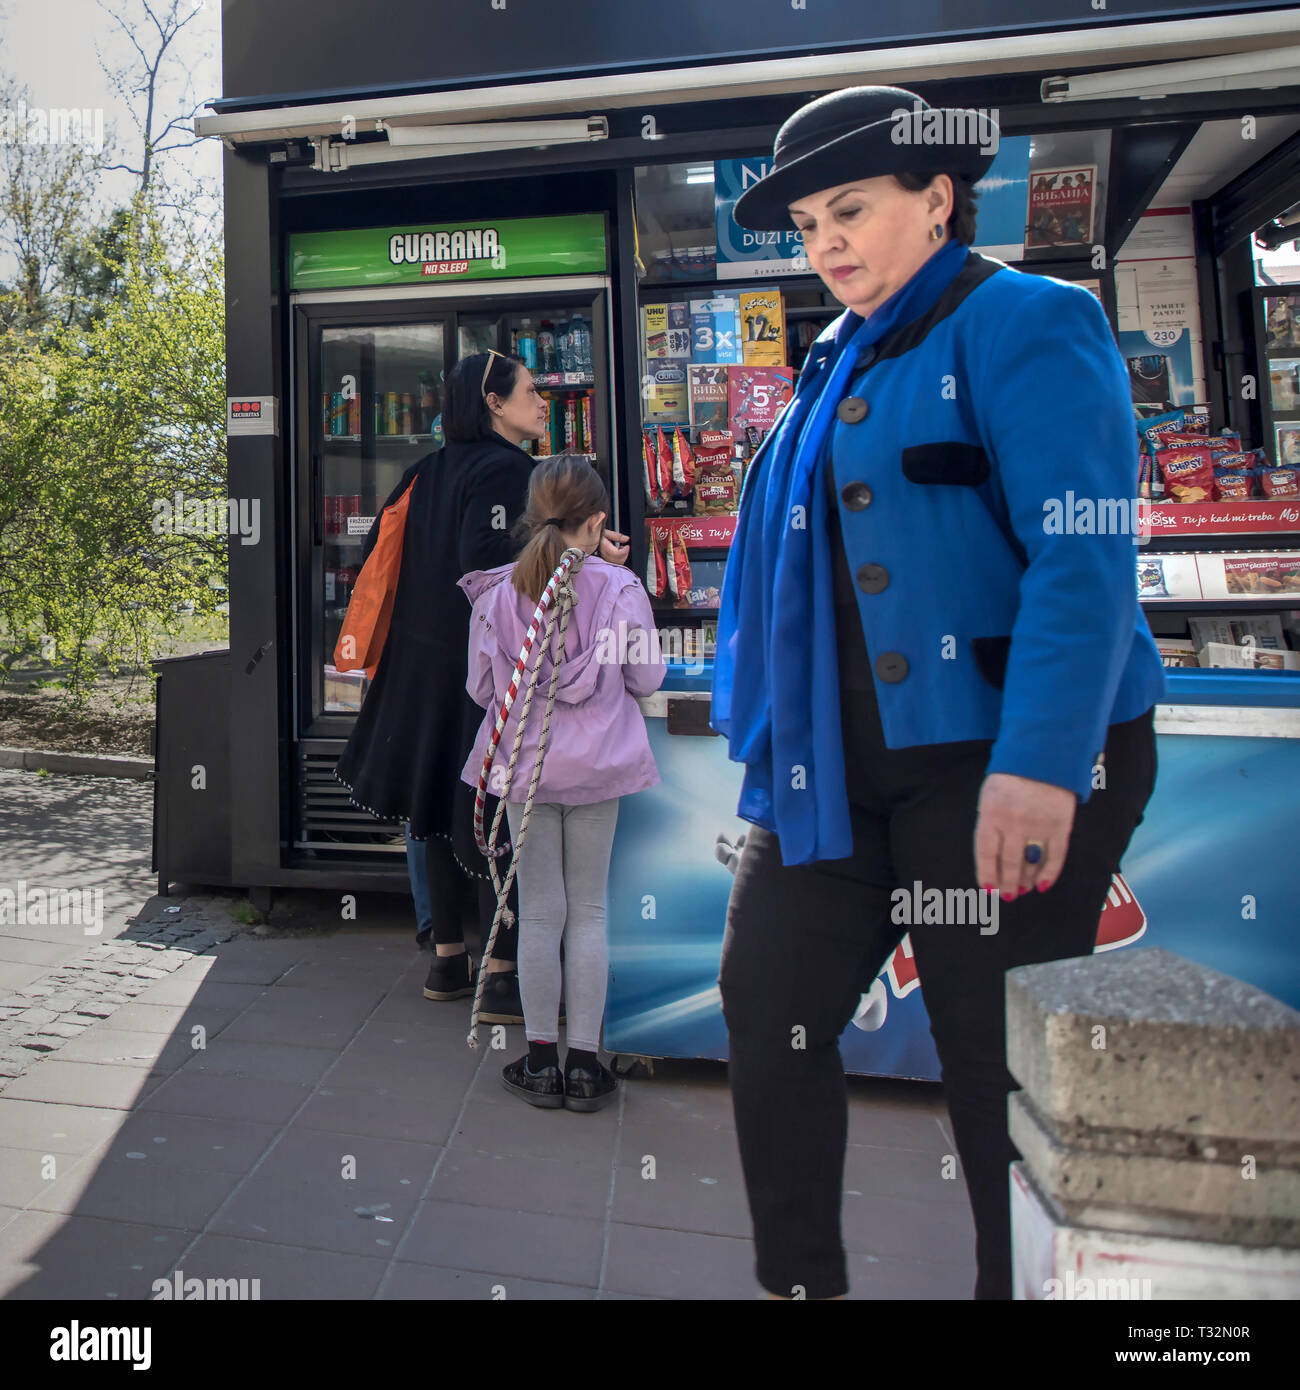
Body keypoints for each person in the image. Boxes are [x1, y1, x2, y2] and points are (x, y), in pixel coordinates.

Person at [711, 85, 1166, 1300]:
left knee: (991, 1069)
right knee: (768, 1009)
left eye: (849, 210)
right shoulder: (824, 364)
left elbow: (1084, 556)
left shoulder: (1028, 320)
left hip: (995, 762)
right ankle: (801, 1284)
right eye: (807, 225)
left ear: (937, 197)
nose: (826, 245)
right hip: (834, 777)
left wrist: (1040, 765)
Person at [335, 351, 550, 1022]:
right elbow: (483, 558)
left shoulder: (424, 471)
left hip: (417, 668)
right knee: (492, 816)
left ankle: (448, 960)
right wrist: (574, 552)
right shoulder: (507, 469)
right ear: (495, 402)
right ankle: (504, 977)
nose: (543, 401)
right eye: (531, 390)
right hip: (477, 676)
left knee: (430, 811)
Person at [459, 453, 662, 1111]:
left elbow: (482, 689)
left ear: (530, 515)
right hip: (599, 767)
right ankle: (585, 1064)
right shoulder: (620, 591)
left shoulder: (496, 596)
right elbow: (646, 679)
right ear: (599, 519)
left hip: (527, 770)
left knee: (541, 911)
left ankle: (540, 1058)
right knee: (590, 909)